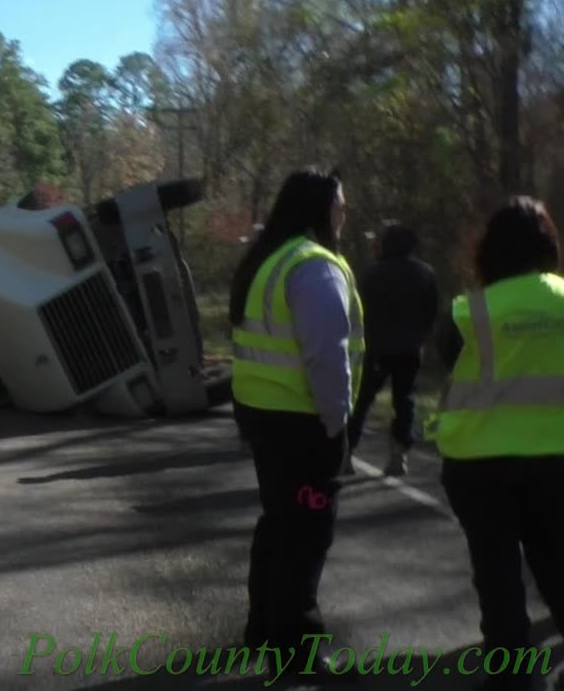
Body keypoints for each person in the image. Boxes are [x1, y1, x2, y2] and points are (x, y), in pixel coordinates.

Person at [229, 167, 364, 680]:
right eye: (340, 204)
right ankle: (297, 651)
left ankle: (262, 628)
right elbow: (327, 357)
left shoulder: (267, 260)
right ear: (320, 209)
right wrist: (338, 424)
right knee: (307, 536)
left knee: (279, 525)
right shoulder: (315, 266)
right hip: (304, 423)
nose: (344, 213)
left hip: (263, 416)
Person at [430, 197, 564, 691]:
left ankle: (513, 682)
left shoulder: (469, 312)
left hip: (479, 466)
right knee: (557, 568)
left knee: (499, 581)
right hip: (556, 463)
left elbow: (446, 363)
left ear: (490, 251)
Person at [343, 223, 440, 476]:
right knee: (405, 400)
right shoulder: (425, 273)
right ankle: (399, 455)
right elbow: (432, 310)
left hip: (376, 347)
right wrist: (421, 337)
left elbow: (357, 309)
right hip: (410, 347)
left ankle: (346, 453)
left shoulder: (373, 274)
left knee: (362, 400)